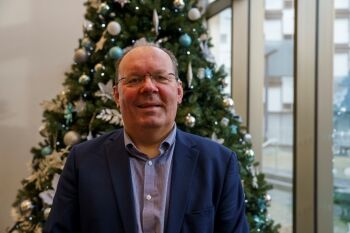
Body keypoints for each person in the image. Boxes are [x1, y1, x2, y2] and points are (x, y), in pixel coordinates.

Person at [44, 42, 249, 233]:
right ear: (117, 95)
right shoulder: (82, 161)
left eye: (161, 77)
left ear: (178, 92)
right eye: (134, 80)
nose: (149, 87)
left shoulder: (219, 163)